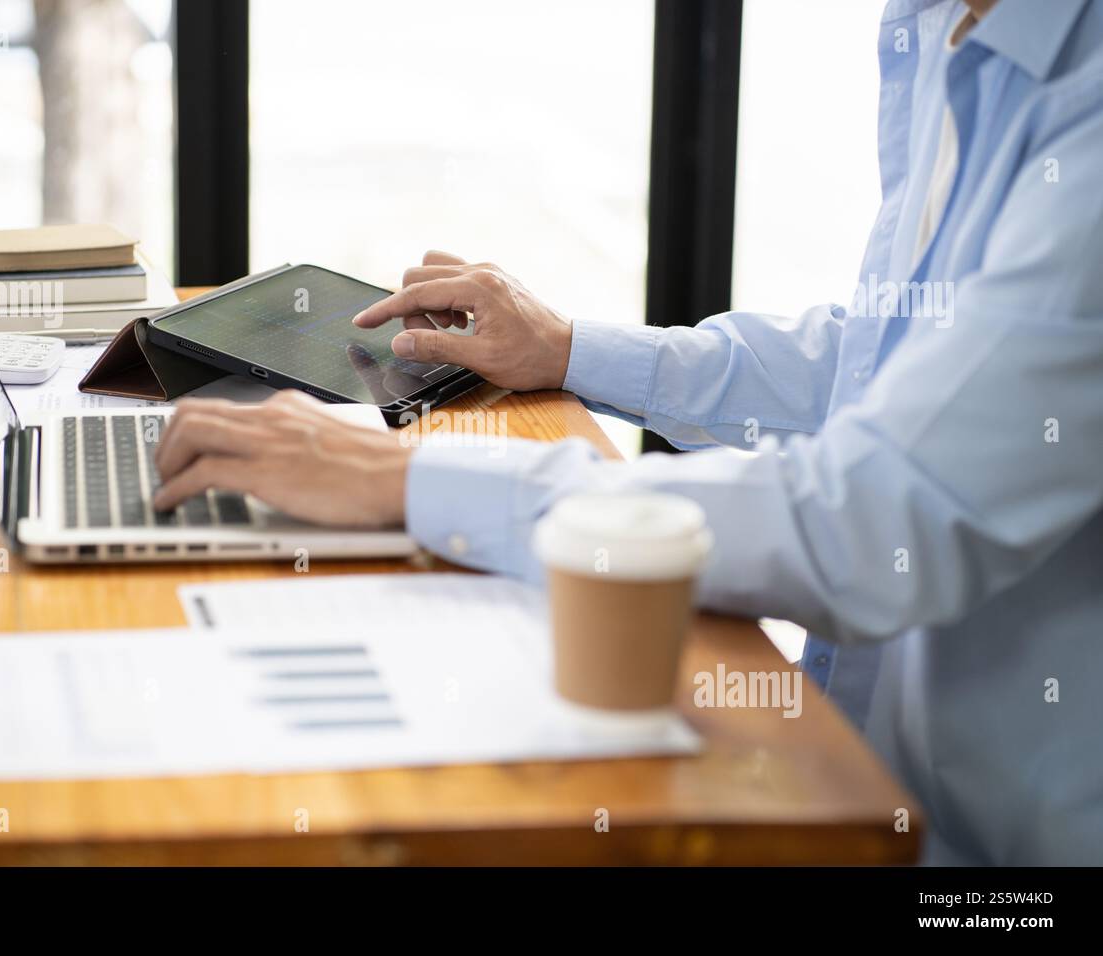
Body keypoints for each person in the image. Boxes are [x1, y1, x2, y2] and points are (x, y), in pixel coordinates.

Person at [153, 0, 1103, 864]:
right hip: (876, 791)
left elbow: (877, 515)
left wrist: (409, 481)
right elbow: (898, 360)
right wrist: (569, 351)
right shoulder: (951, 29)